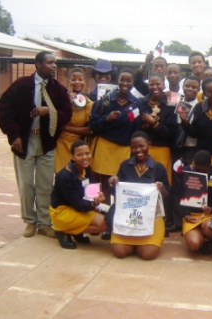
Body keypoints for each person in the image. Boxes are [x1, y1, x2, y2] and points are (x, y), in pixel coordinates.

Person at [0, 51, 72, 238]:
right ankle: (29, 221)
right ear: (38, 64)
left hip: (46, 142)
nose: (54, 66)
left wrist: (50, 111)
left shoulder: (58, 90)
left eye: (55, 63)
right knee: (26, 184)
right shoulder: (21, 85)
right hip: (24, 141)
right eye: (49, 63)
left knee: (45, 185)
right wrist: (14, 136)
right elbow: (4, 110)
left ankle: (44, 223)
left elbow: (66, 114)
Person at [89, 69, 142, 240]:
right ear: (116, 81)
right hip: (104, 148)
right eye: (122, 81)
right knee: (102, 188)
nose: (125, 84)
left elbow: (137, 130)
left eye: (129, 81)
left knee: (120, 189)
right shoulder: (105, 100)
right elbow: (92, 125)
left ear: (133, 83)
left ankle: (119, 222)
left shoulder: (136, 104)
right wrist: (106, 119)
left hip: (123, 150)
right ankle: (104, 224)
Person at [108, 131, 169, 260]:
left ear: (149, 145)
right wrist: (114, 183)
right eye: (134, 147)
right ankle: (133, 242)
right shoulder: (125, 166)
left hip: (151, 218)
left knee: (148, 254)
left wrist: (162, 189)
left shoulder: (159, 168)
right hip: (127, 216)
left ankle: (140, 243)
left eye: (141, 146)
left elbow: (168, 195)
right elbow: (118, 194)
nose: (138, 150)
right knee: (119, 252)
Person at [50, 140, 108, 249]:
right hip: (62, 211)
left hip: (77, 206)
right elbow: (78, 205)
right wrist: (95, 204)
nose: (85, 157)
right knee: (104, 224)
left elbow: (91, 192)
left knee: (106, 215)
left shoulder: (87, 168)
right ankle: (62, 230)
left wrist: (97, 203)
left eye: (87, 153)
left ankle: (76, 230)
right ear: (72, 157)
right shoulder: (65, 176)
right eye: (80, 155)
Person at [180, 150, 212, 254]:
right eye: (197, 169)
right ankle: (198, 237)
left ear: (209, 165)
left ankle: (207, 239)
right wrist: (186, 215)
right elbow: (179, 196)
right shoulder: (187, 172)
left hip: (208, 215)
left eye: (203, 171)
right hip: (191, 215)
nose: (199, 173)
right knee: (194, 245)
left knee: (209, 228)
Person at [140, 73, 178, 185]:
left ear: (164, 85)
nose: (155, 87)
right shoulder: (142, 103)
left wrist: (154, 124)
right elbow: (136, 128)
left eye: (158, 84)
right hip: (143, 150)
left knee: (162, 184)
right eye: (151, 84)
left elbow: (171, 132)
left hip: (163, 149)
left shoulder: (170, 103)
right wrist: (145, 125)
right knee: (144, 182)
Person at [54, 68, 93, 173]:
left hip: (79, 146)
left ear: (85, 82)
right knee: (61, 175)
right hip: (61, 145)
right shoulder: (62, 100)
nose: (77, 82)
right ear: (69, 81)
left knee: (79, 176)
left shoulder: (89, 104)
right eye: (74, 79)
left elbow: (89, 130)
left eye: (80, 79)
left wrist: (66, 127)